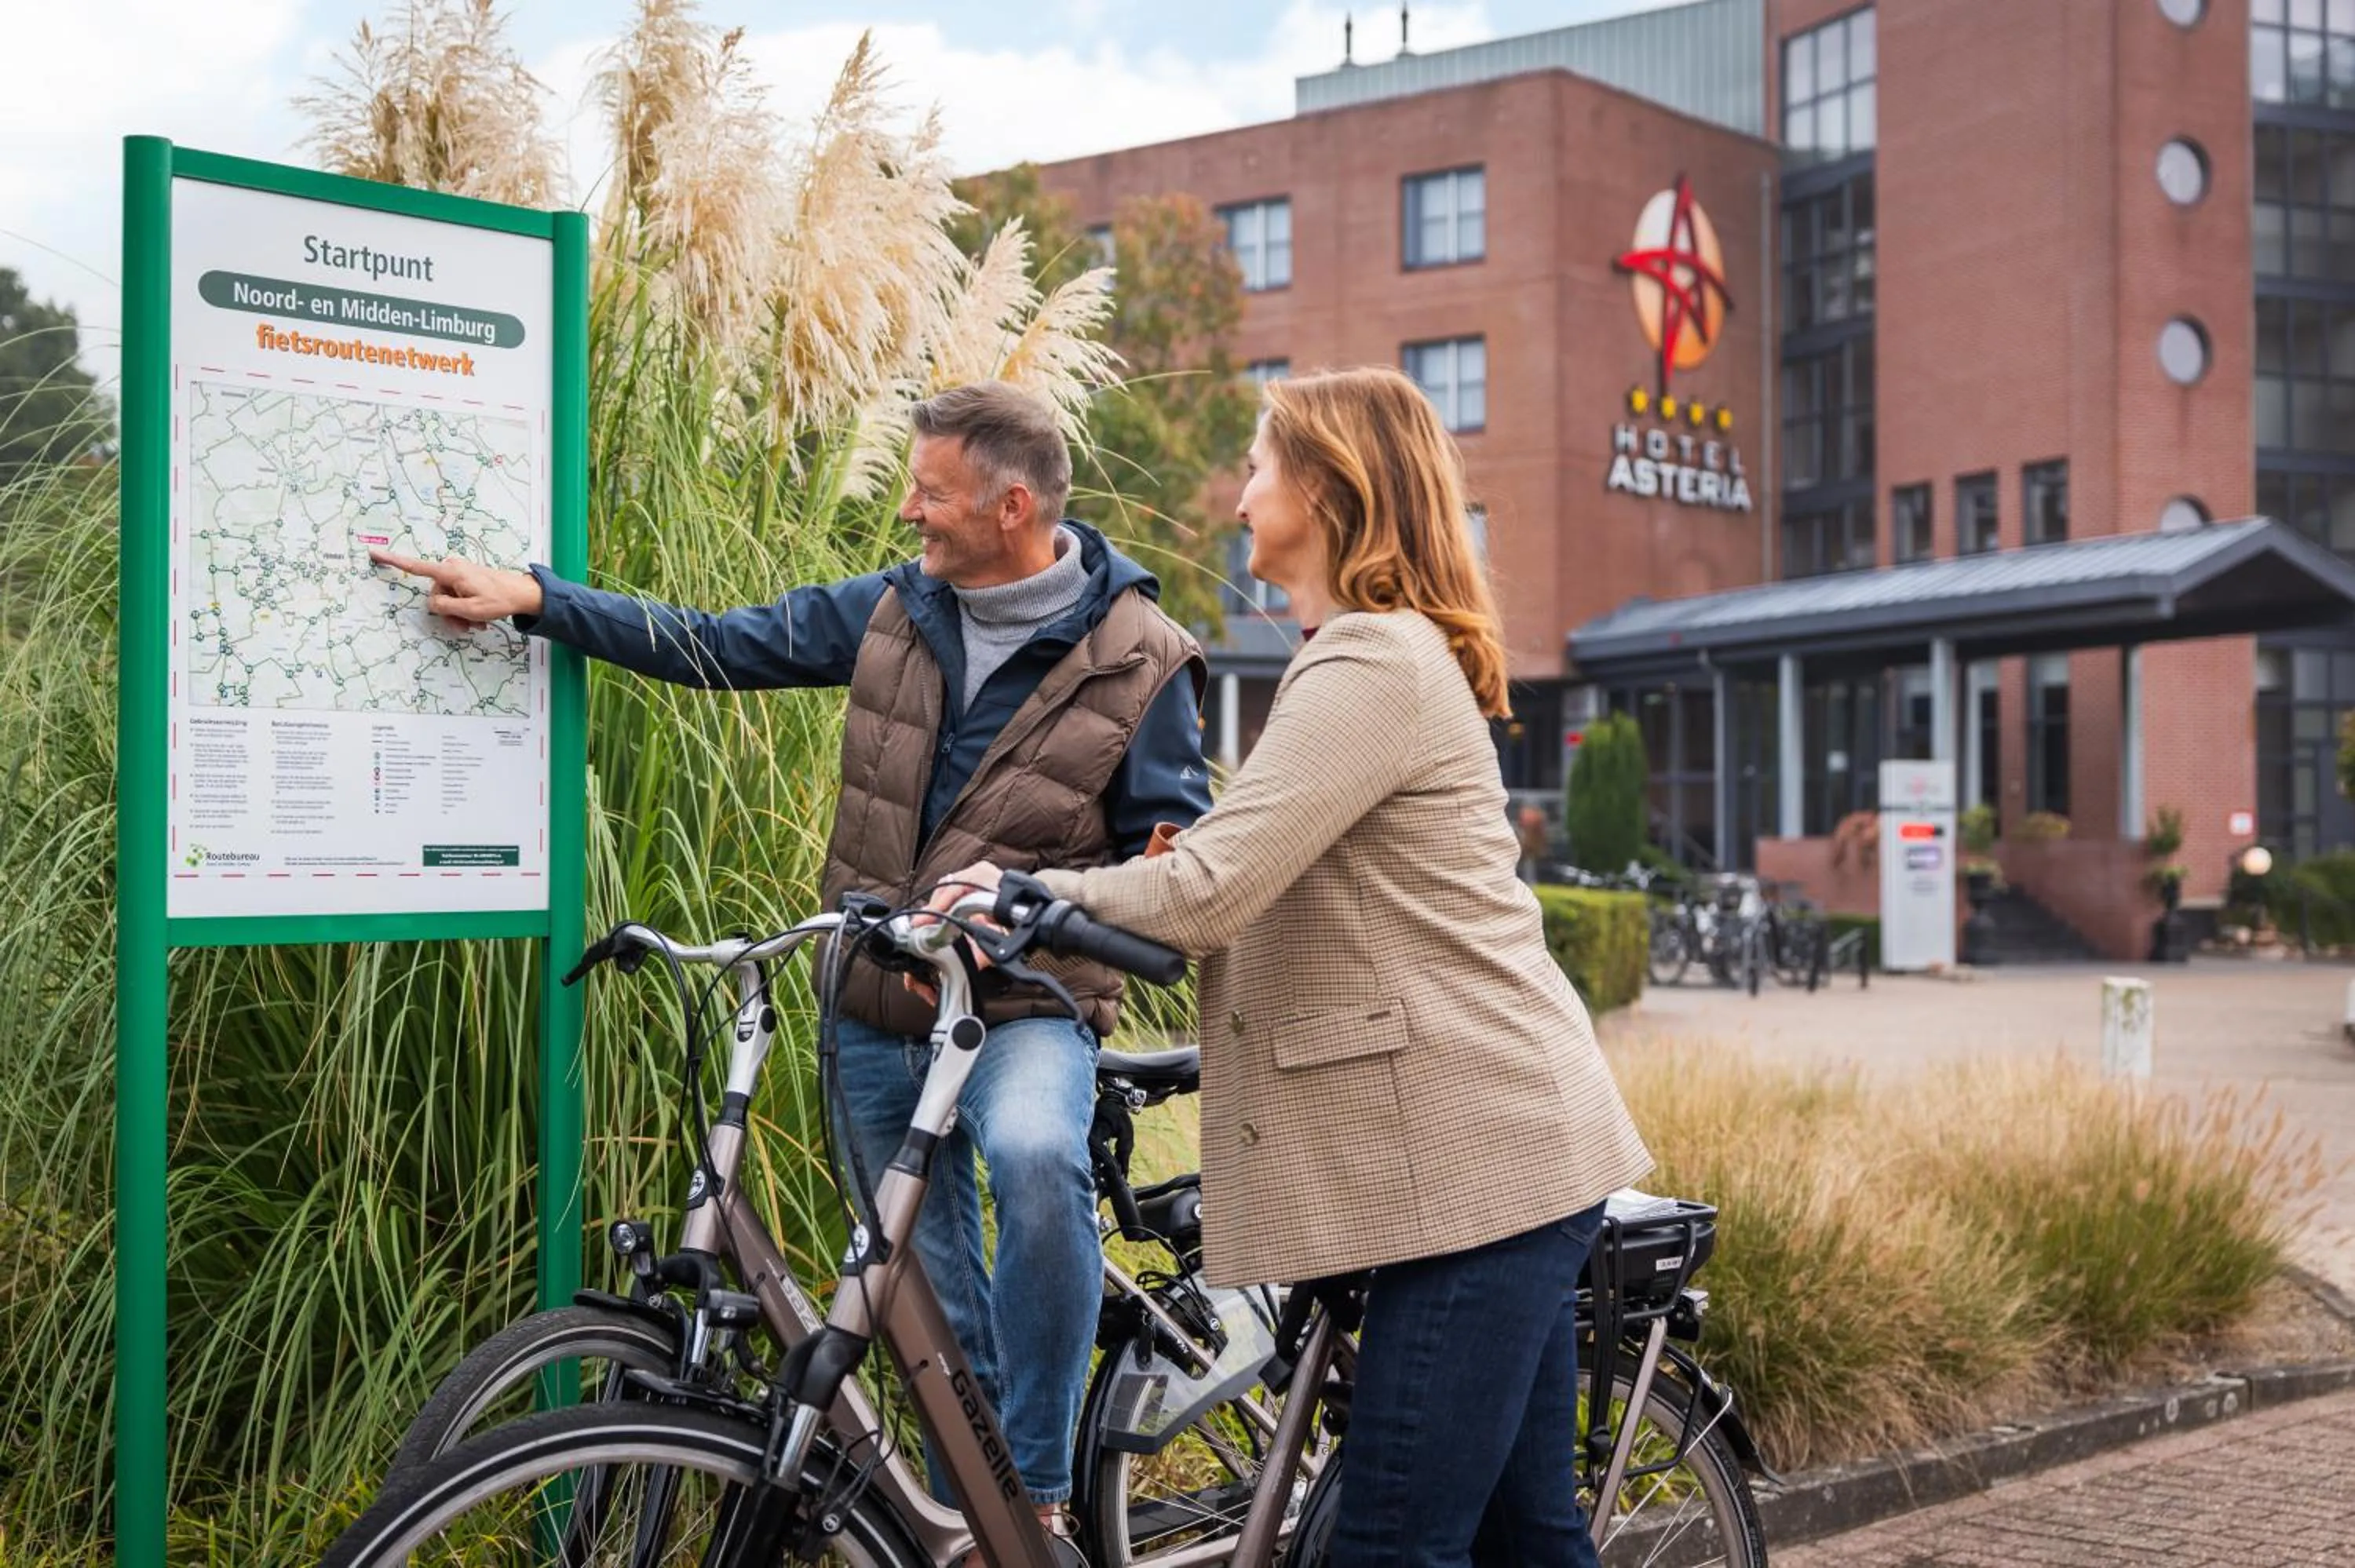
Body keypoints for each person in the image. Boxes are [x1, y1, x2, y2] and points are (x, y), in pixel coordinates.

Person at [371, 381, 1213, 1532]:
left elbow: (1170, 862)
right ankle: (981, 1511)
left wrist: (1028, 913)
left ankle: (1042, 1495)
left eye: (932, 491)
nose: (908, 511)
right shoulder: (895, 607)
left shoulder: (1145, 657)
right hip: (871, 996)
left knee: (1029, 1151)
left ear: (1013, 504)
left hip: (1023, 1003)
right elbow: (719, 644)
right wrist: (538, 598)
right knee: (912, 1267)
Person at [932, 366, 1652, 1568]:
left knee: (1390, 1545)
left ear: (1324, 487)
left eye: (1260, 463)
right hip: (1509, 1150)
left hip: (1482, 1172)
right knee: (1527, 1535)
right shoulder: (1364, 657)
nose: (1241, 487)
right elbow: (1239, 873)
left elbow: (1214, 887)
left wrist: (1030, 893)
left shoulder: (1371, 661)